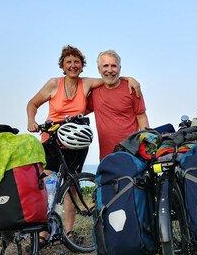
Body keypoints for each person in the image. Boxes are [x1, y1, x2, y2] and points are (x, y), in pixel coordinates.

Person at [26, 45, 140, 241]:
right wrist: (31, 121)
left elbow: (110, 77)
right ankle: (43, 233)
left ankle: (69, 232)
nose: (73, 65)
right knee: (46, 184)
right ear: (62, 65)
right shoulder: (54, 84)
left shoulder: (86, 84)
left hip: (76, 142)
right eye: (68, 62)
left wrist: (131, 79)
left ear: (82, 65)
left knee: (71, 185)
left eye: (76, 62)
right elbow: (32, 104)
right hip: (53, 140)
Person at [87, 50, 149, 160]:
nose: (110, 70)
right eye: (105, 65)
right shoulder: (95, 92)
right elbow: (80, 109)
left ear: (119, 69)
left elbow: (142, 117)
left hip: (132, 154)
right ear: (99, 69)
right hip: (106, 158)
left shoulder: (132, 89)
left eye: (114, 66)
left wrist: (147, 145)